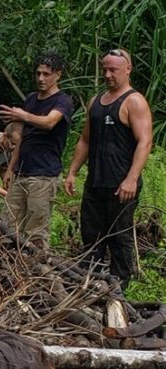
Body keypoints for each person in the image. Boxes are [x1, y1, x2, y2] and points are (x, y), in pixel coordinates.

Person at [65, 48, 153, 289]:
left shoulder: (134, 101)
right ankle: (88, 284)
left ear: (127, 69)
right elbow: (85, 140)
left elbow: (145, 141)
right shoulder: (96, 102)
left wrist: (131, 178)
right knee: (91, 235)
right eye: (105, 69)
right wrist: (72, 171)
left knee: (119, 236)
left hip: (121, 183)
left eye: (113, 69)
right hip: (95, 182)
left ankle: (119, 288)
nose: (107, 74)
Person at [0, 53, 73, 245]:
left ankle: (38, 270)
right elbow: (22, 137)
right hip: (21, 172)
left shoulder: (62, 101)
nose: (41, 78)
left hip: (44, 174)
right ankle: (8, 268)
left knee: (36, 231)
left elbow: (49, 122)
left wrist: (23, 115)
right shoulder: (31, 99)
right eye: (38, 73)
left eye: (46, 74)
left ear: (58, 75)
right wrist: (11, 168)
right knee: (6, 225)